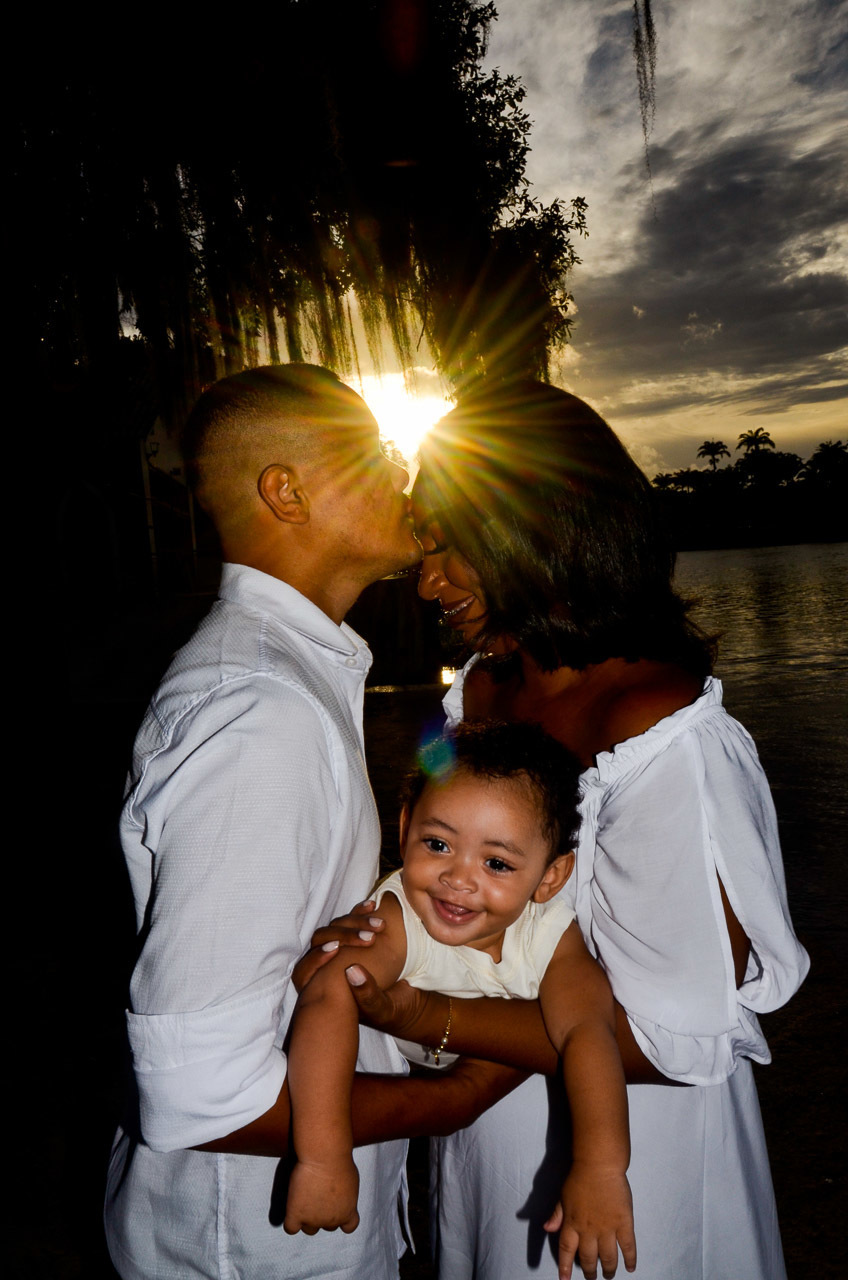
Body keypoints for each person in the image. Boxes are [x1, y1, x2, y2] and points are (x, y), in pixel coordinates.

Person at [320, 380, 810, 1279]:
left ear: (538, 529)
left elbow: (676, 1041)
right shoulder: (477, 687)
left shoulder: (662, 734)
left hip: (627, 1158)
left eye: (447, 544)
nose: (426, 580)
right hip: (487, 1128)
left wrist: (429, 1019)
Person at [103, 364, 523, 1280]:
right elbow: (198, 1096)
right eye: (373, 452)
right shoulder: (258, 712)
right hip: (249, 1245)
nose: (402, 473)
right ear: (284, 492)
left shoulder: (287, 679)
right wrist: (452, 1102)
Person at [285, 721, 636, 1280]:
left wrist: (601, 1168)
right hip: (413, 1073)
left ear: (550, 878)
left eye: (496, 863)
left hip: (493, 1079)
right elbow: (328, 995)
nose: (457, 879)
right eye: (438, 844)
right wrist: (324, 1157)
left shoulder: (550, 933)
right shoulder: (400, 919)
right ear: (405, 829)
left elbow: (589, 1032)